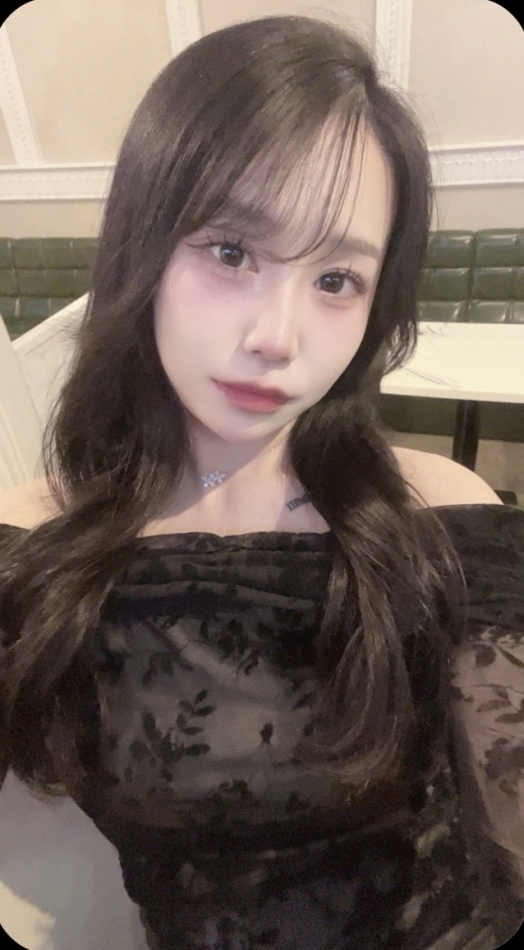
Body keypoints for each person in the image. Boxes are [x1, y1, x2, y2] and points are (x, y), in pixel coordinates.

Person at [0, 15, 523, 950]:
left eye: (336, 279)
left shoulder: (443, 516)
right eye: (232, 251)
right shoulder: (35, 542)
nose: (278, 338)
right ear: (144, 249)